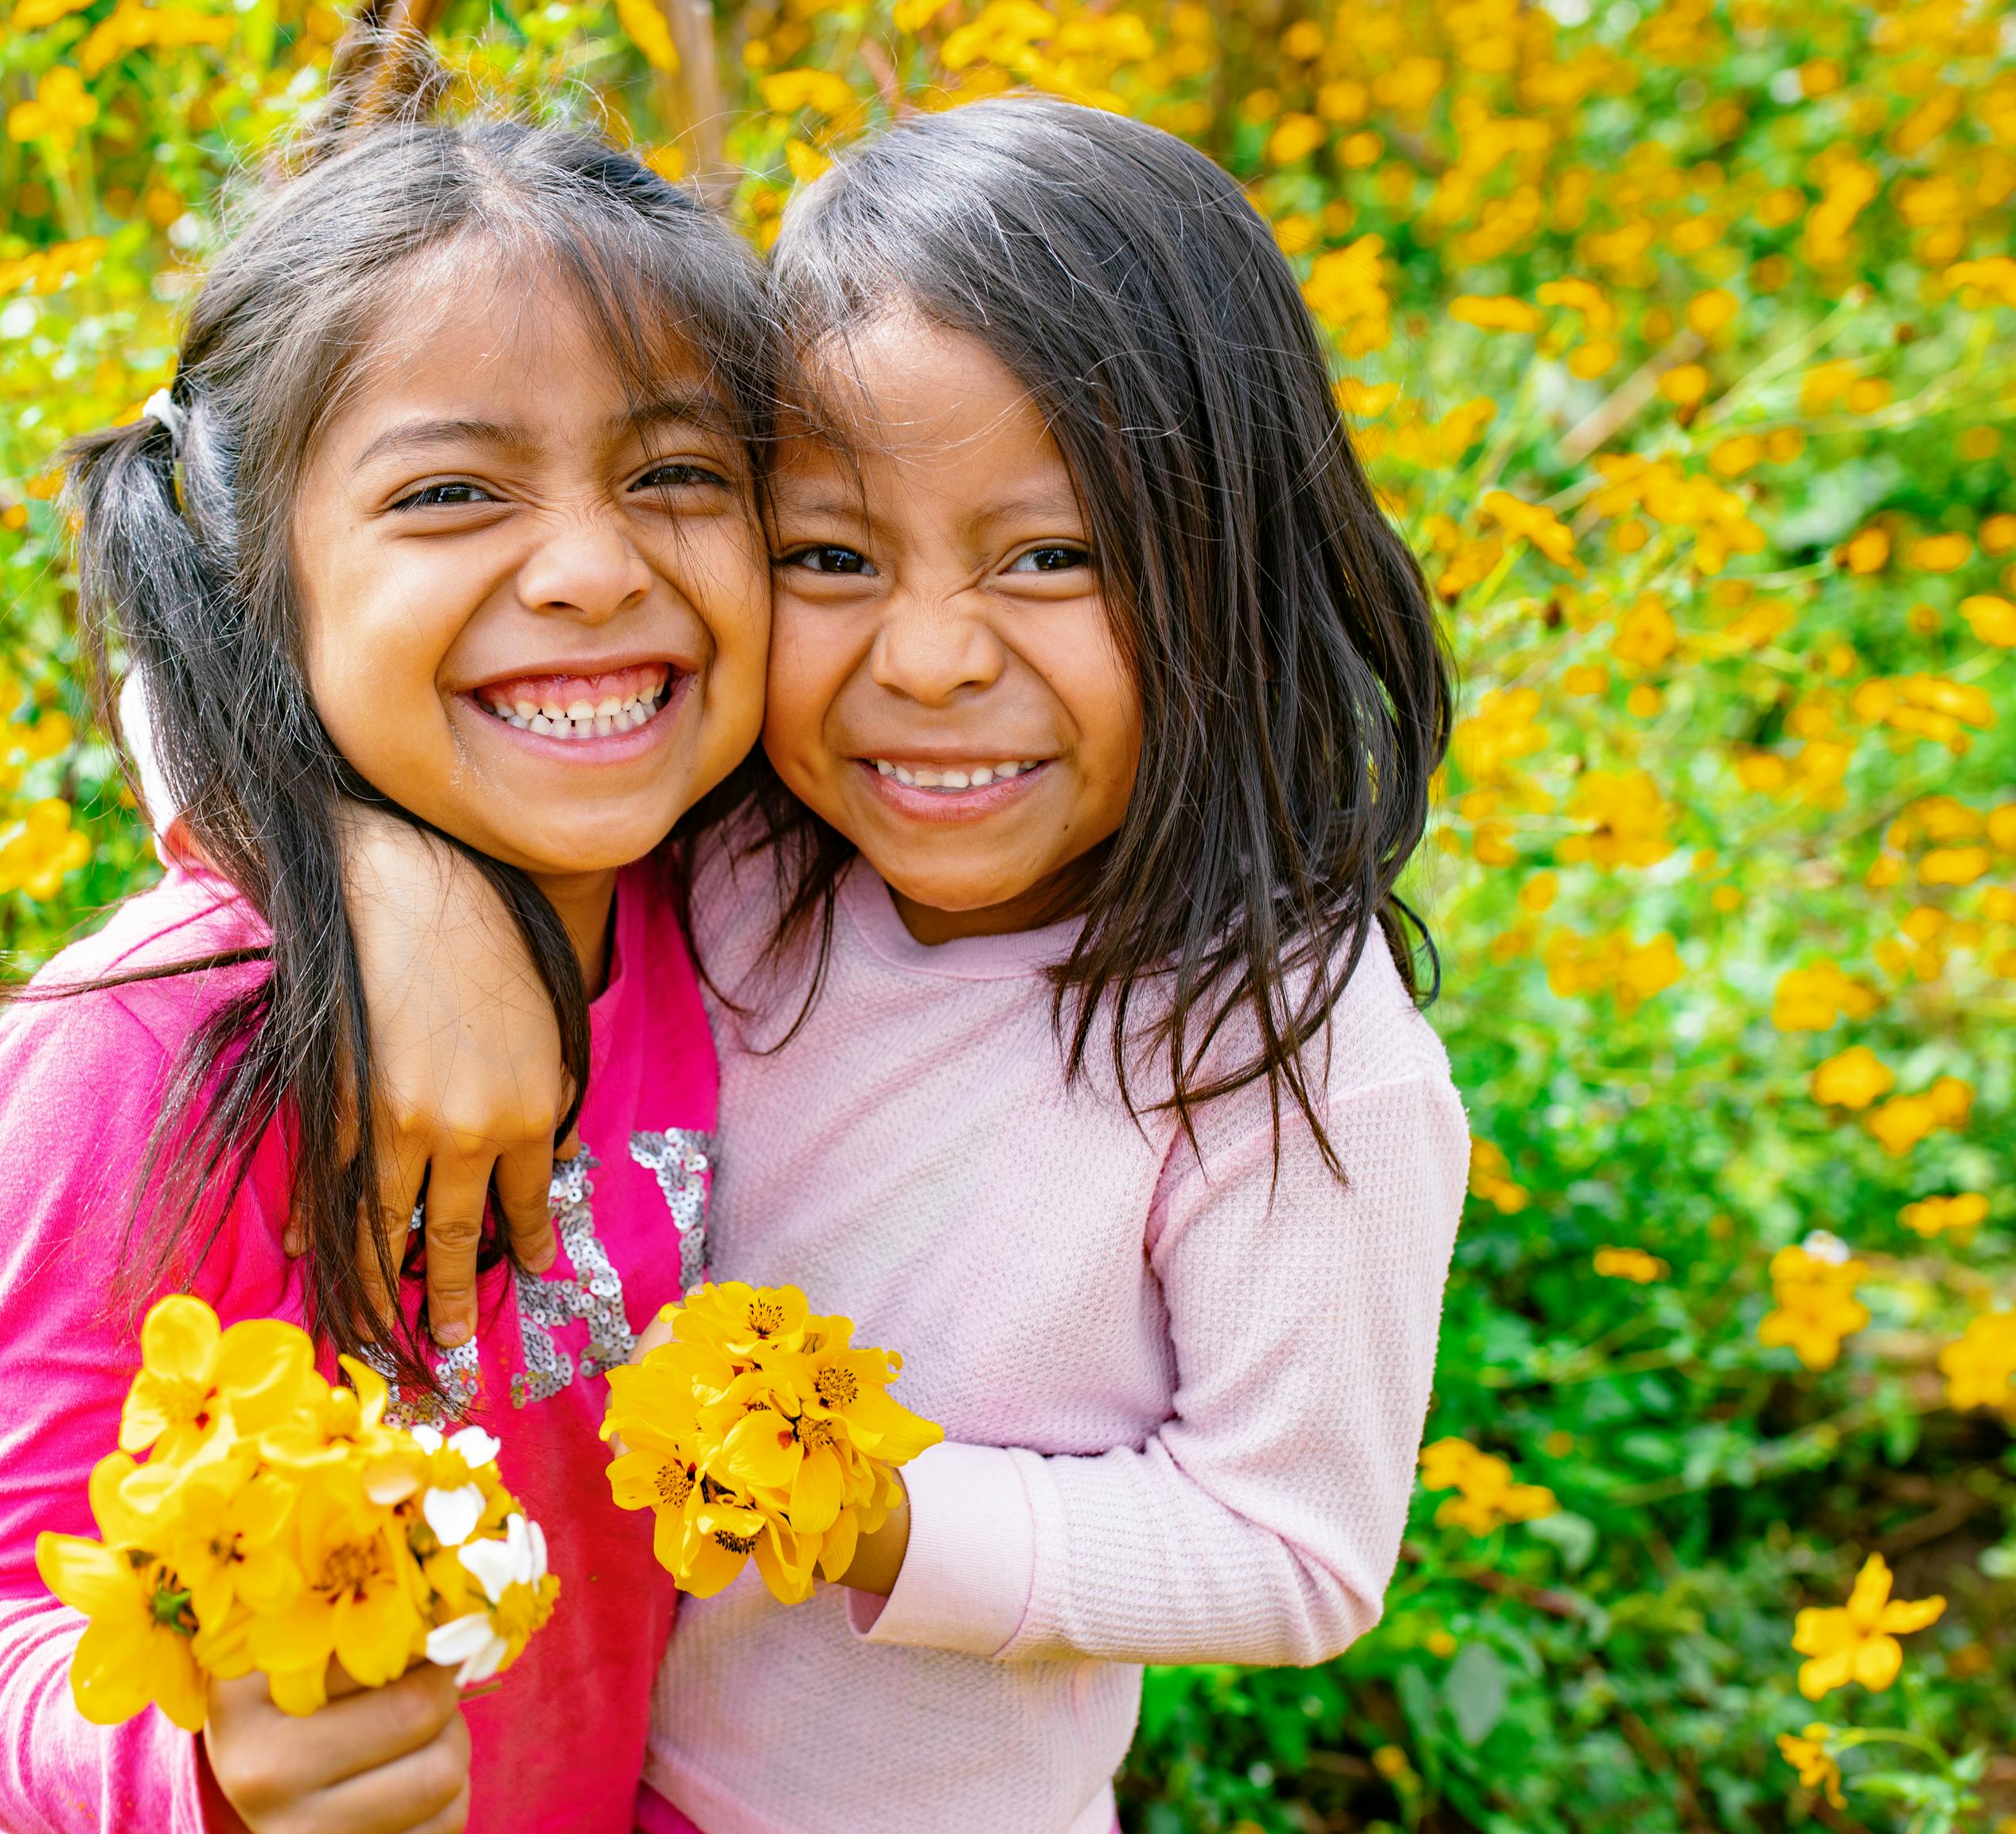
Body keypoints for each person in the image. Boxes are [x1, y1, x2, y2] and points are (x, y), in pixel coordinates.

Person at [343, 97, 1472, 1834]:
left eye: (1054, 558)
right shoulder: (723, 853)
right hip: (554, 1779)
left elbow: (1293, 1550)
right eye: (833, 558)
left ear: (1232, 560)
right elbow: (242, 660)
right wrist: (389, 873)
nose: (931, 662)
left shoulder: (1290, 1048)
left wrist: (874, 1510)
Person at [0, 104, 778, 1834]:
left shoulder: (749, 925)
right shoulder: (141, 1056)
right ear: (259, 574)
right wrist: (203, 1769)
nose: (598, 570)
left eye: (679, 476)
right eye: (452, 493)